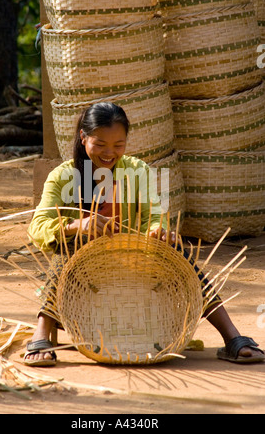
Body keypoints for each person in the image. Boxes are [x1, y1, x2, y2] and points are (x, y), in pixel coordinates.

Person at [24, 102, 264, 366]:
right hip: (82, 277)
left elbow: (154, 216)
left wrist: (156, 231)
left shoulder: (136, 171)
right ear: (83, 138)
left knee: (178, 250)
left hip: (136, 265)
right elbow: (38, 226)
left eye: (119, 144)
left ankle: (231, 337)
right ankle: (41, 332)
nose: (109, 153)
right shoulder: (63, 176)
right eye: (100, 144)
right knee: (72, 244)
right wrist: (76, 226)